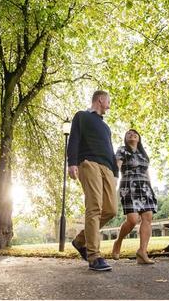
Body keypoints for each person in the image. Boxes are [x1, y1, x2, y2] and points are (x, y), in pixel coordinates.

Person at [67, 90, 119, 271]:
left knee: (111, 210)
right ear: (100, 99)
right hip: (89, 163)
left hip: (107, 168)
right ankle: (94, 256)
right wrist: (72, 162)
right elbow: (73, 139)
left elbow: (110, 150)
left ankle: (80, 240)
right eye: (108, 101)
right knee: (94, 206)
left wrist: (116, 172)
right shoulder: (82, 116)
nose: (109, 105)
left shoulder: (106, 127)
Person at [111, 129, 157, 264]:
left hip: (145, 187)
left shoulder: (143, 154)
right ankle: (118, 242)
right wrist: (114, 178)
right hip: (129, 185)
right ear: (126, 138)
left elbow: (147, 172)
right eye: (129, 134)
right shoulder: (122, 150)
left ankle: (142, 252)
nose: (132, 135)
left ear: (139, 138)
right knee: (132, 219)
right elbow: (117, 166)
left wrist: (151, 188)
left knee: (148, 217)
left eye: (135, 134)